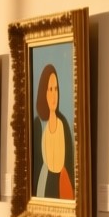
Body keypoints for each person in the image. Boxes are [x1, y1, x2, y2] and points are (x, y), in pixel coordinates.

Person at [32, 64, 74, 199]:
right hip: (45, 185)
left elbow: (70, 164)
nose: (53, 95)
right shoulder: (39, 124)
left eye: (56, 89)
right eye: (50, 89)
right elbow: (36, 166)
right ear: (43, 92)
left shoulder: (63, 124)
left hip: (62, 185)